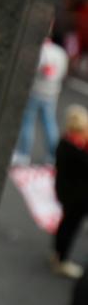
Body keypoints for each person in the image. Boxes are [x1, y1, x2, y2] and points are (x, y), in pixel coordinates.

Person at [14, 32, 69, 166]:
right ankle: (52, 156)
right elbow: (63, 72)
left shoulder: (40, 51)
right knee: (49, 123)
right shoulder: (61, 53)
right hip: (51, 92)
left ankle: (23, 154)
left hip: (35, 91)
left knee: (28, 122)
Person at [56, 106, 88, 278]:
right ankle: (62, 260)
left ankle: (57, 254)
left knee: (65, 224)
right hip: (78, 199)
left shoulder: (64, 144)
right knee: (70, 227)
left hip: (67, 194)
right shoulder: (79, 152)